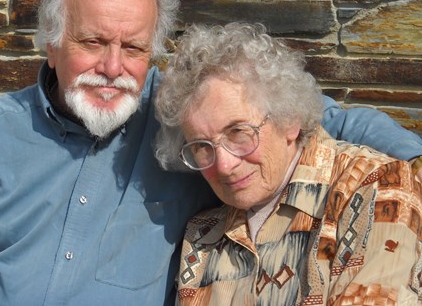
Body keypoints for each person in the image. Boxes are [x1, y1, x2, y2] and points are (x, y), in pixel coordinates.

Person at [0, 0, 422, 306]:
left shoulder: (186, 116)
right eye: (93, 41)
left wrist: (414, 165)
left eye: (133, 48)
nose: (112, 66)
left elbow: (307, 113)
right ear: (52, 43)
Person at [154, 22, 422, 305]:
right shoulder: (203, 234)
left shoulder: (375, 188)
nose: (224, 165)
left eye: (238, 133)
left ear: (289, 120)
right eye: (201, 147)